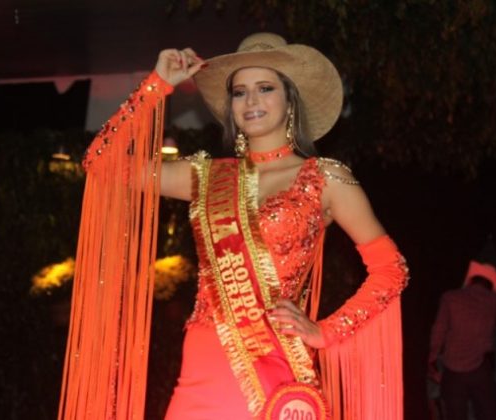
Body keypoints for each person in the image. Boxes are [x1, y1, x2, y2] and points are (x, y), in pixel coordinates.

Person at [58, 33, 409, 420]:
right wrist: (157, 85)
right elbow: (100, 163)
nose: (251, 101)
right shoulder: (208, 176)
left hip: (273, 363)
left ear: (291, 100)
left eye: (265, 88)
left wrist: (325, 332)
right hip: (201, 365)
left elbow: (391, 269)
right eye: (240, 92)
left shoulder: (326, 178)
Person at [429, 261, 496, 420]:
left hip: (453, 370)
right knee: (487, 415)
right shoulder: (493, 300)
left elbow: (438, 331)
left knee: (455, 415)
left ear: (472, 279)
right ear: (490, 284)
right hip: (481, 369)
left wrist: (431, 361)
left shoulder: (450, 297)